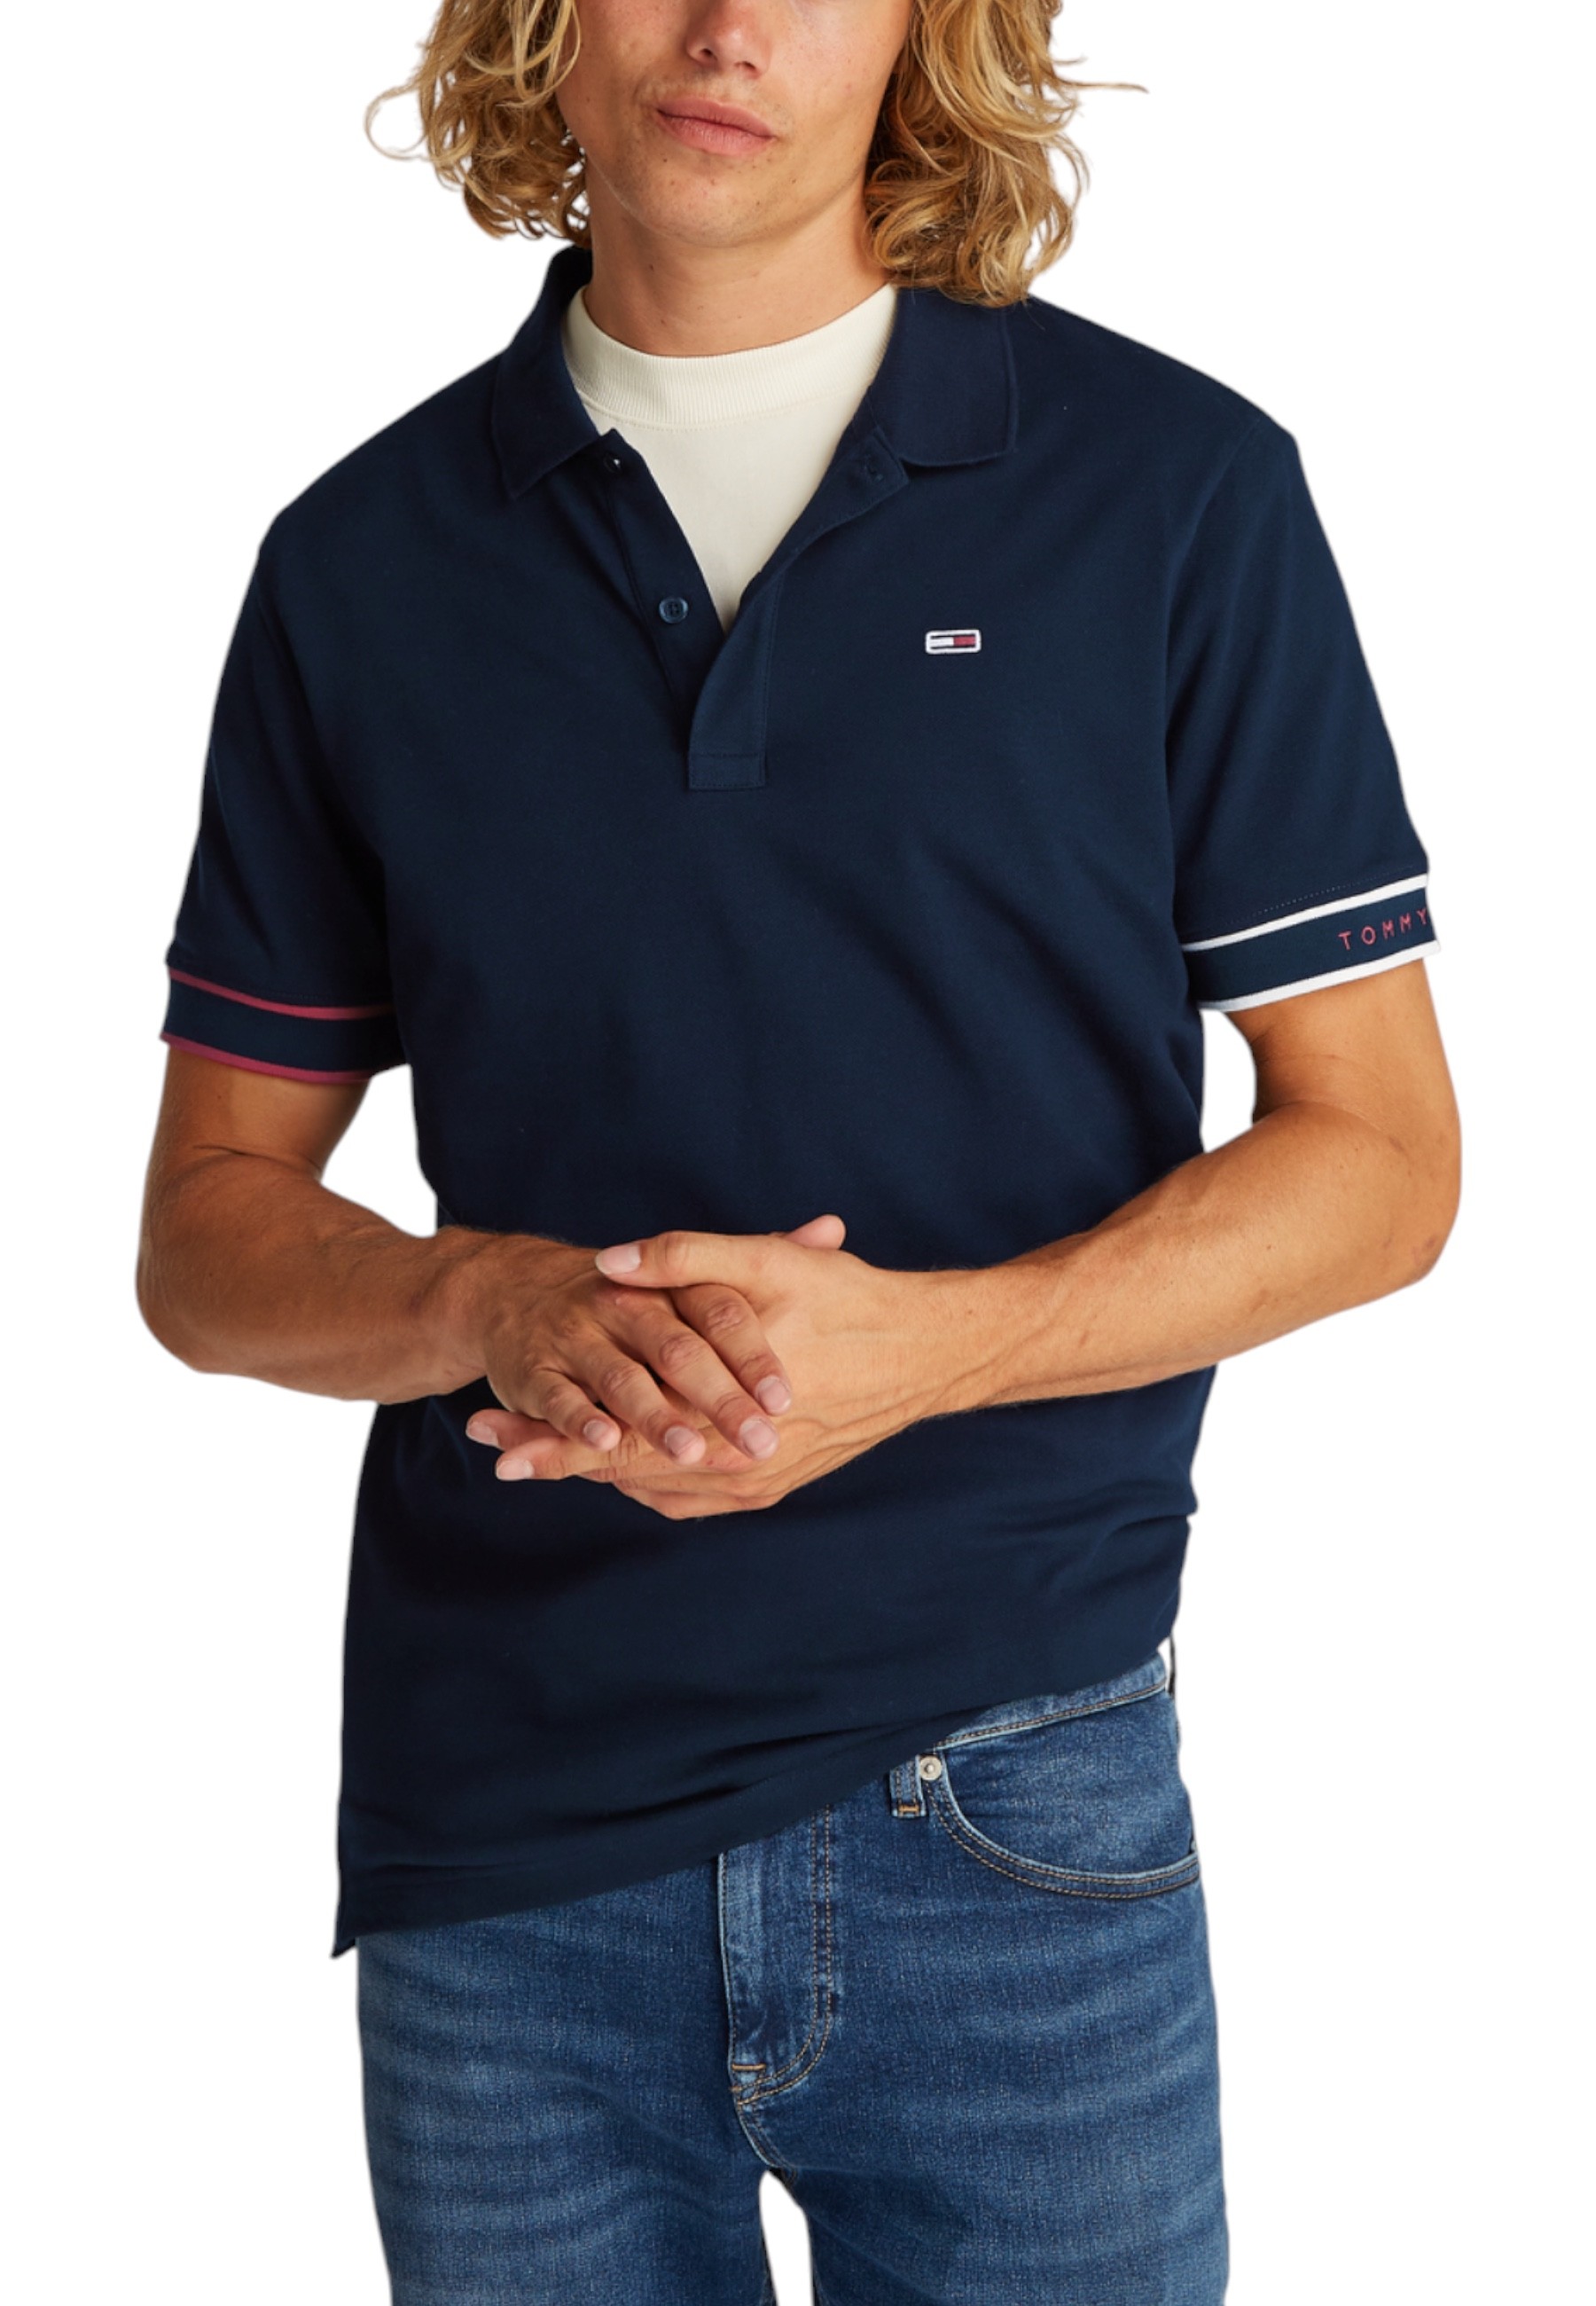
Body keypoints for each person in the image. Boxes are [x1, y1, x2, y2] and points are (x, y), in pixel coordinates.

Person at [136, 0, 1461, 2297]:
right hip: (503, 1841)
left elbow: (1385, 1157)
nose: (732, 26)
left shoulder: (1175, 490)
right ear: (535, 30)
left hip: (1016, 1793)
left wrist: (928, 1350)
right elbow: (204, 1232)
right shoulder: (358, 563)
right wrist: (489, 1301)